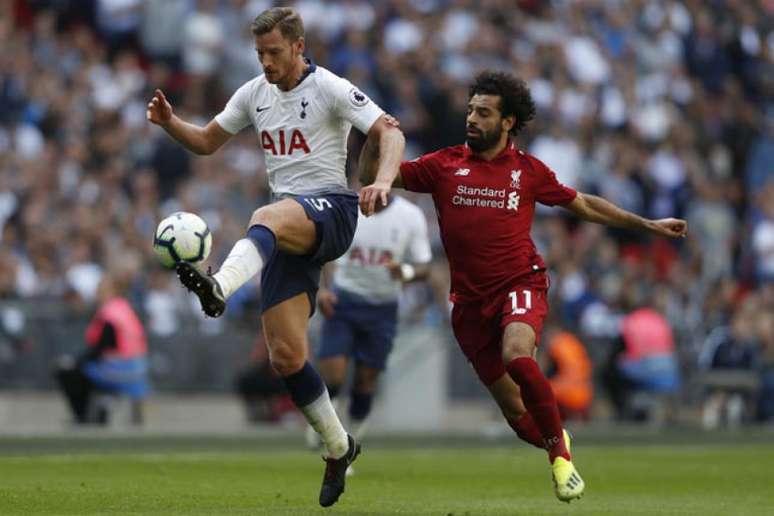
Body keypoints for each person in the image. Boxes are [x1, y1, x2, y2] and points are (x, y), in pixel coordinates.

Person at [359, 70, 688, 503]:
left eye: (483, 112)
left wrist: (646, 224)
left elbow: (584, 204)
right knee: (517, 416)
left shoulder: (528, 171)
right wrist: (371, 138)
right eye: (471, 110)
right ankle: (559, 439)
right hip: (468, 305)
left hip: (520, 282)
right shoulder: (443, 165)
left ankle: (559, 459)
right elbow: (372, 177)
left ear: (508, 121)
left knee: (518, 353)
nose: (471, 119)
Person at [146, 7, 404, 508]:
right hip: (288, 230)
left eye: (274, 53)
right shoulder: (254, 93)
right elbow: (206, 142)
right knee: (286, 357)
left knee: (264, 215)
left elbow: (389, 132)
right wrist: (171, 122)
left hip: (332, 211)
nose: (266, 62)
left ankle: (219, 286)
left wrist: (382, 181)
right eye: (259, 53)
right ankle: (338, 446)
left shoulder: (329, 86)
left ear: (298, 47)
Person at [306, 194, 432, 452]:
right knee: (334, 372)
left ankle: (350, 442)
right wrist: (324, 289)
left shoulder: (410, 216)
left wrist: (405, 272)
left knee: (365, 381)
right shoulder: (347, 208)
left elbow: (424, 266)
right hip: (344, 300)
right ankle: (326, 430)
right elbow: (326, 253)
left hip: (383, 307)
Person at [55, 273, 149, 425]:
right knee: (83, 369)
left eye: (100, 289)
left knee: (68, 372)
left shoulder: (109, 313)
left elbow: (99, 349)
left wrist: (74, 361)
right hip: (138, 368)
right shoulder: (125, 309)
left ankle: (84, 416)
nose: (97, 293)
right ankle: (103, 404)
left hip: (118, 369)